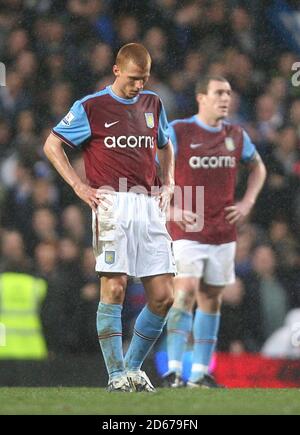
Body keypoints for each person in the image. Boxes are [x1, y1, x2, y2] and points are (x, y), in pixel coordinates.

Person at [43, 43, 176, 392]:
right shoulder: (91, 106)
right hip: (112, 204)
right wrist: (77, 185)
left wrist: (171, 181)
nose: (139, 86)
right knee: (114, 288)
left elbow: (166, 143)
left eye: (144, 80)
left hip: (149, 205)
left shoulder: (153, 103)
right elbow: (52, 144)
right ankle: (116, 374)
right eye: (133, 79)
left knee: (164, 296)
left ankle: (132, 367)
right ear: (117, 71)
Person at [163, 75, 266, 388]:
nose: (226, 99)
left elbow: (259, 167)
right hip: (187, 229)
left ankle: (200, 374)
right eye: (219, 93)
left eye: (229, 93)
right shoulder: (179, 131)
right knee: (185, 293)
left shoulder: (236, 134)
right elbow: (148, 169)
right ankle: (173, 370)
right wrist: (169, 210)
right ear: (201, 97)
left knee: (212, 300)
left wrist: (247, 202)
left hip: (222, 231)